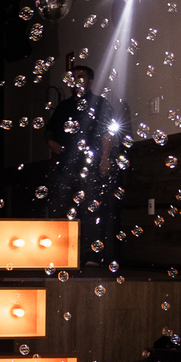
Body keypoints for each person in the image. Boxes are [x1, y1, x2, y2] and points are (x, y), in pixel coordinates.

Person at [44, 65, 128, 265]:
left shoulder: (100, 104)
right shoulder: (63, 107)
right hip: (66, 167)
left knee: (90, 211)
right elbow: (49, 130)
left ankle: (92, 256)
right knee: (65, 209)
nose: (76, 81)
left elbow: (108, 133)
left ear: (90, 82)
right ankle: (66, 254)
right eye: (73, 77)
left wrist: (105, 160)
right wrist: (50, 142)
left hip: (91, 166)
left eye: (80, 77)